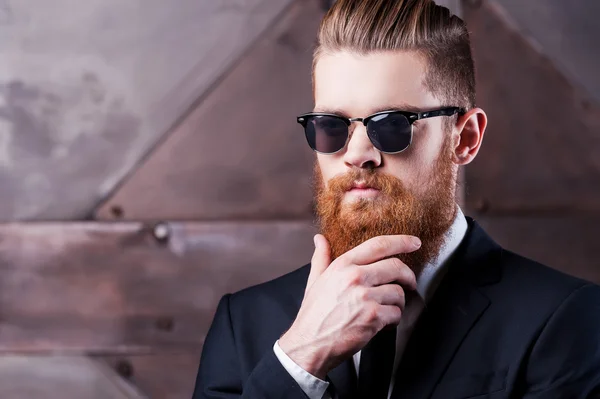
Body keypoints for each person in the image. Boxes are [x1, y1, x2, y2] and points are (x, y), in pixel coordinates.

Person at [192, 0, 600, 398]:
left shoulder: (564, 318)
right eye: (331, 127)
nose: (355, 154)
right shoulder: (242, 322)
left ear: (466, 137)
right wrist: (300, 360)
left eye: (392, 125)